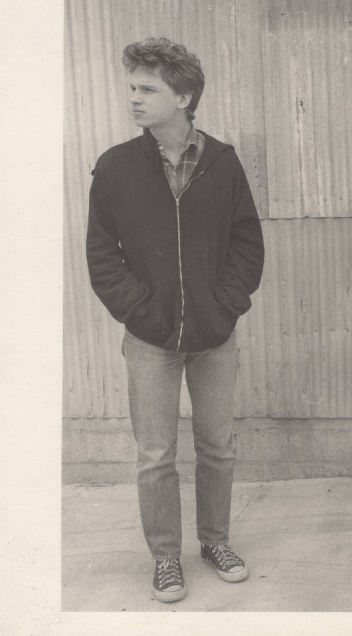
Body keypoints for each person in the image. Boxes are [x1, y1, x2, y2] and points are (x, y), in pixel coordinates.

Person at [86, 38, 265, 602]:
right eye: (132, 87)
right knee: (155, 454)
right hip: (150, 339)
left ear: (183, 97)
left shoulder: (222, 162)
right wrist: (141, 312)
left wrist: (223, 305)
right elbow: (102, 255)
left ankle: (215, 542)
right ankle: (166, 557)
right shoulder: (116, 167)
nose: (134, 98)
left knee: (218, 446)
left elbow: (247, 245)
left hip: (215, 336)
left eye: (148, 89)